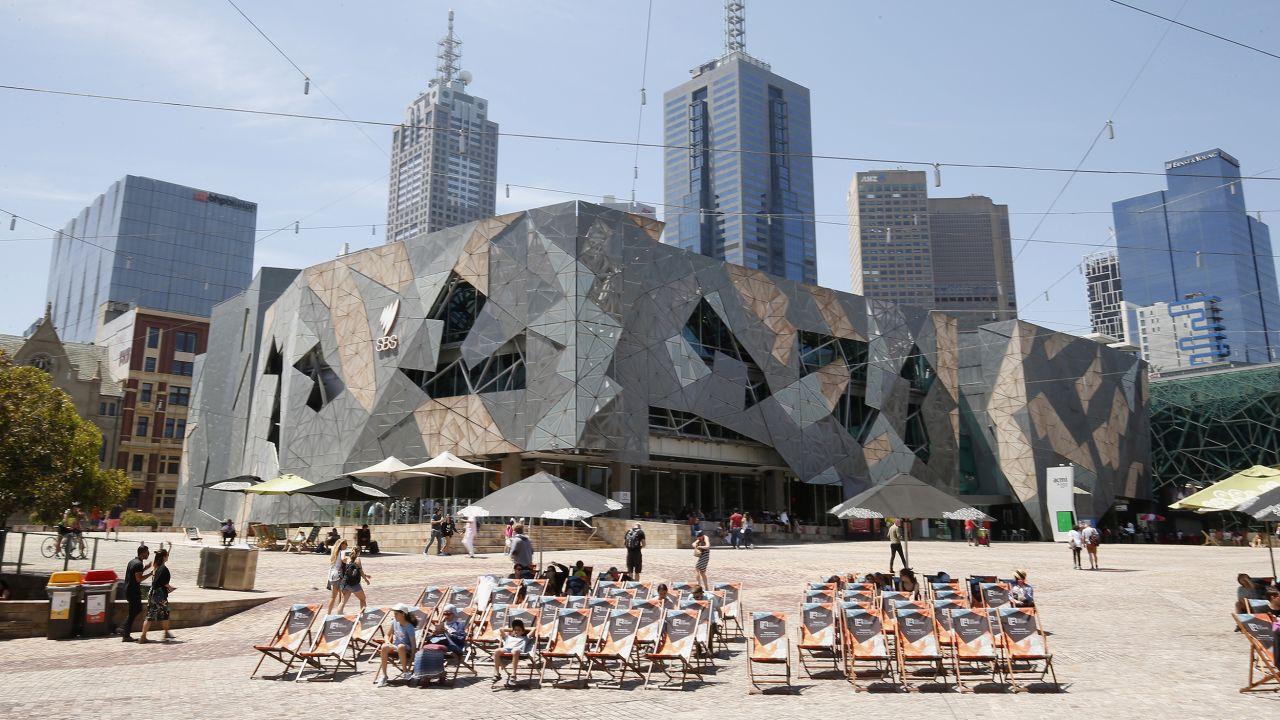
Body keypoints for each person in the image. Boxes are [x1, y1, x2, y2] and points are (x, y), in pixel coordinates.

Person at [374, 605, 417, 687]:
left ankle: (405, 672)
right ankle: (384, 675)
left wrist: (411, 661)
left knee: (401, 646)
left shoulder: (409, 627)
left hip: (406, 648)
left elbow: (413, 644)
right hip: (396, 646)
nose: (394, 615)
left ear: (403, 614)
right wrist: (387, 642)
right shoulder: (394, 622)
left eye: (396, 614)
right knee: (384, 646)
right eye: (394, 613)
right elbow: (387, 635)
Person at [138, 547, 175, 643]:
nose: (168, 556)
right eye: (167, 555)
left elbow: (157, 581)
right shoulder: (164, 569)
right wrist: (171, 588)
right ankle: (166, 633)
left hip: (152, 593)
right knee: (165, 613)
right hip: (160, 595)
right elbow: (164, 583)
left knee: (150, 615)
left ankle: (143, 636)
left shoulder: (156, 567)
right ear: (164, 557)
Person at [121, 544, 151, 642]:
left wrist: (145, 568)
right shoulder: (138, 564)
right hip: (133, 591)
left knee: (136, 610)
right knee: (135, 611)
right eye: (147, 552)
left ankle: (124, 630)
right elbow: (139, 579)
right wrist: (150, 573)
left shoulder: (133, 561)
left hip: (128, 589)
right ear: (143, 553)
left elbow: (135, 573)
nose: (148, 553)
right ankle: (125, 633)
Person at [493, 618, 532, 686]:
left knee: (515, 650)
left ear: (523, 631)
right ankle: (497, 673)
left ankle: (513, 674)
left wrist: (524, 630)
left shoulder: (525, 638)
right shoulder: (509, 637)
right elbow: (501, 629)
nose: (517, 631)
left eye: (519, 630)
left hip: (518, 652)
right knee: (496, 651)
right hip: (507, 650)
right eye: (515, 630)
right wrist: (512, 630)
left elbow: (534, 629)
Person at [338, 545, 371, 613]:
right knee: (362, 599)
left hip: (345, 583)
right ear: (358, 552)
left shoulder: (347, 559)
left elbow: (350, 570)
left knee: (342, 602)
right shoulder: (358, 560)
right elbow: (360, 571)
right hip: (354, 584)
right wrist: (366, 580)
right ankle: (362, 615)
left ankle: (338, 616)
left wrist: (366, 575)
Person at [326, 539, 349, 614]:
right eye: (346, 543)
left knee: (333, 596)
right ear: (342, 544)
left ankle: (328, 613)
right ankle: (339, 612)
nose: (347, 545)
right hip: (338, 575)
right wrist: (349, 560)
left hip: (331, 574)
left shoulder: (334, 552)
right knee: (342, 595)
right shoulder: (342, 551)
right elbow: (343, 559)